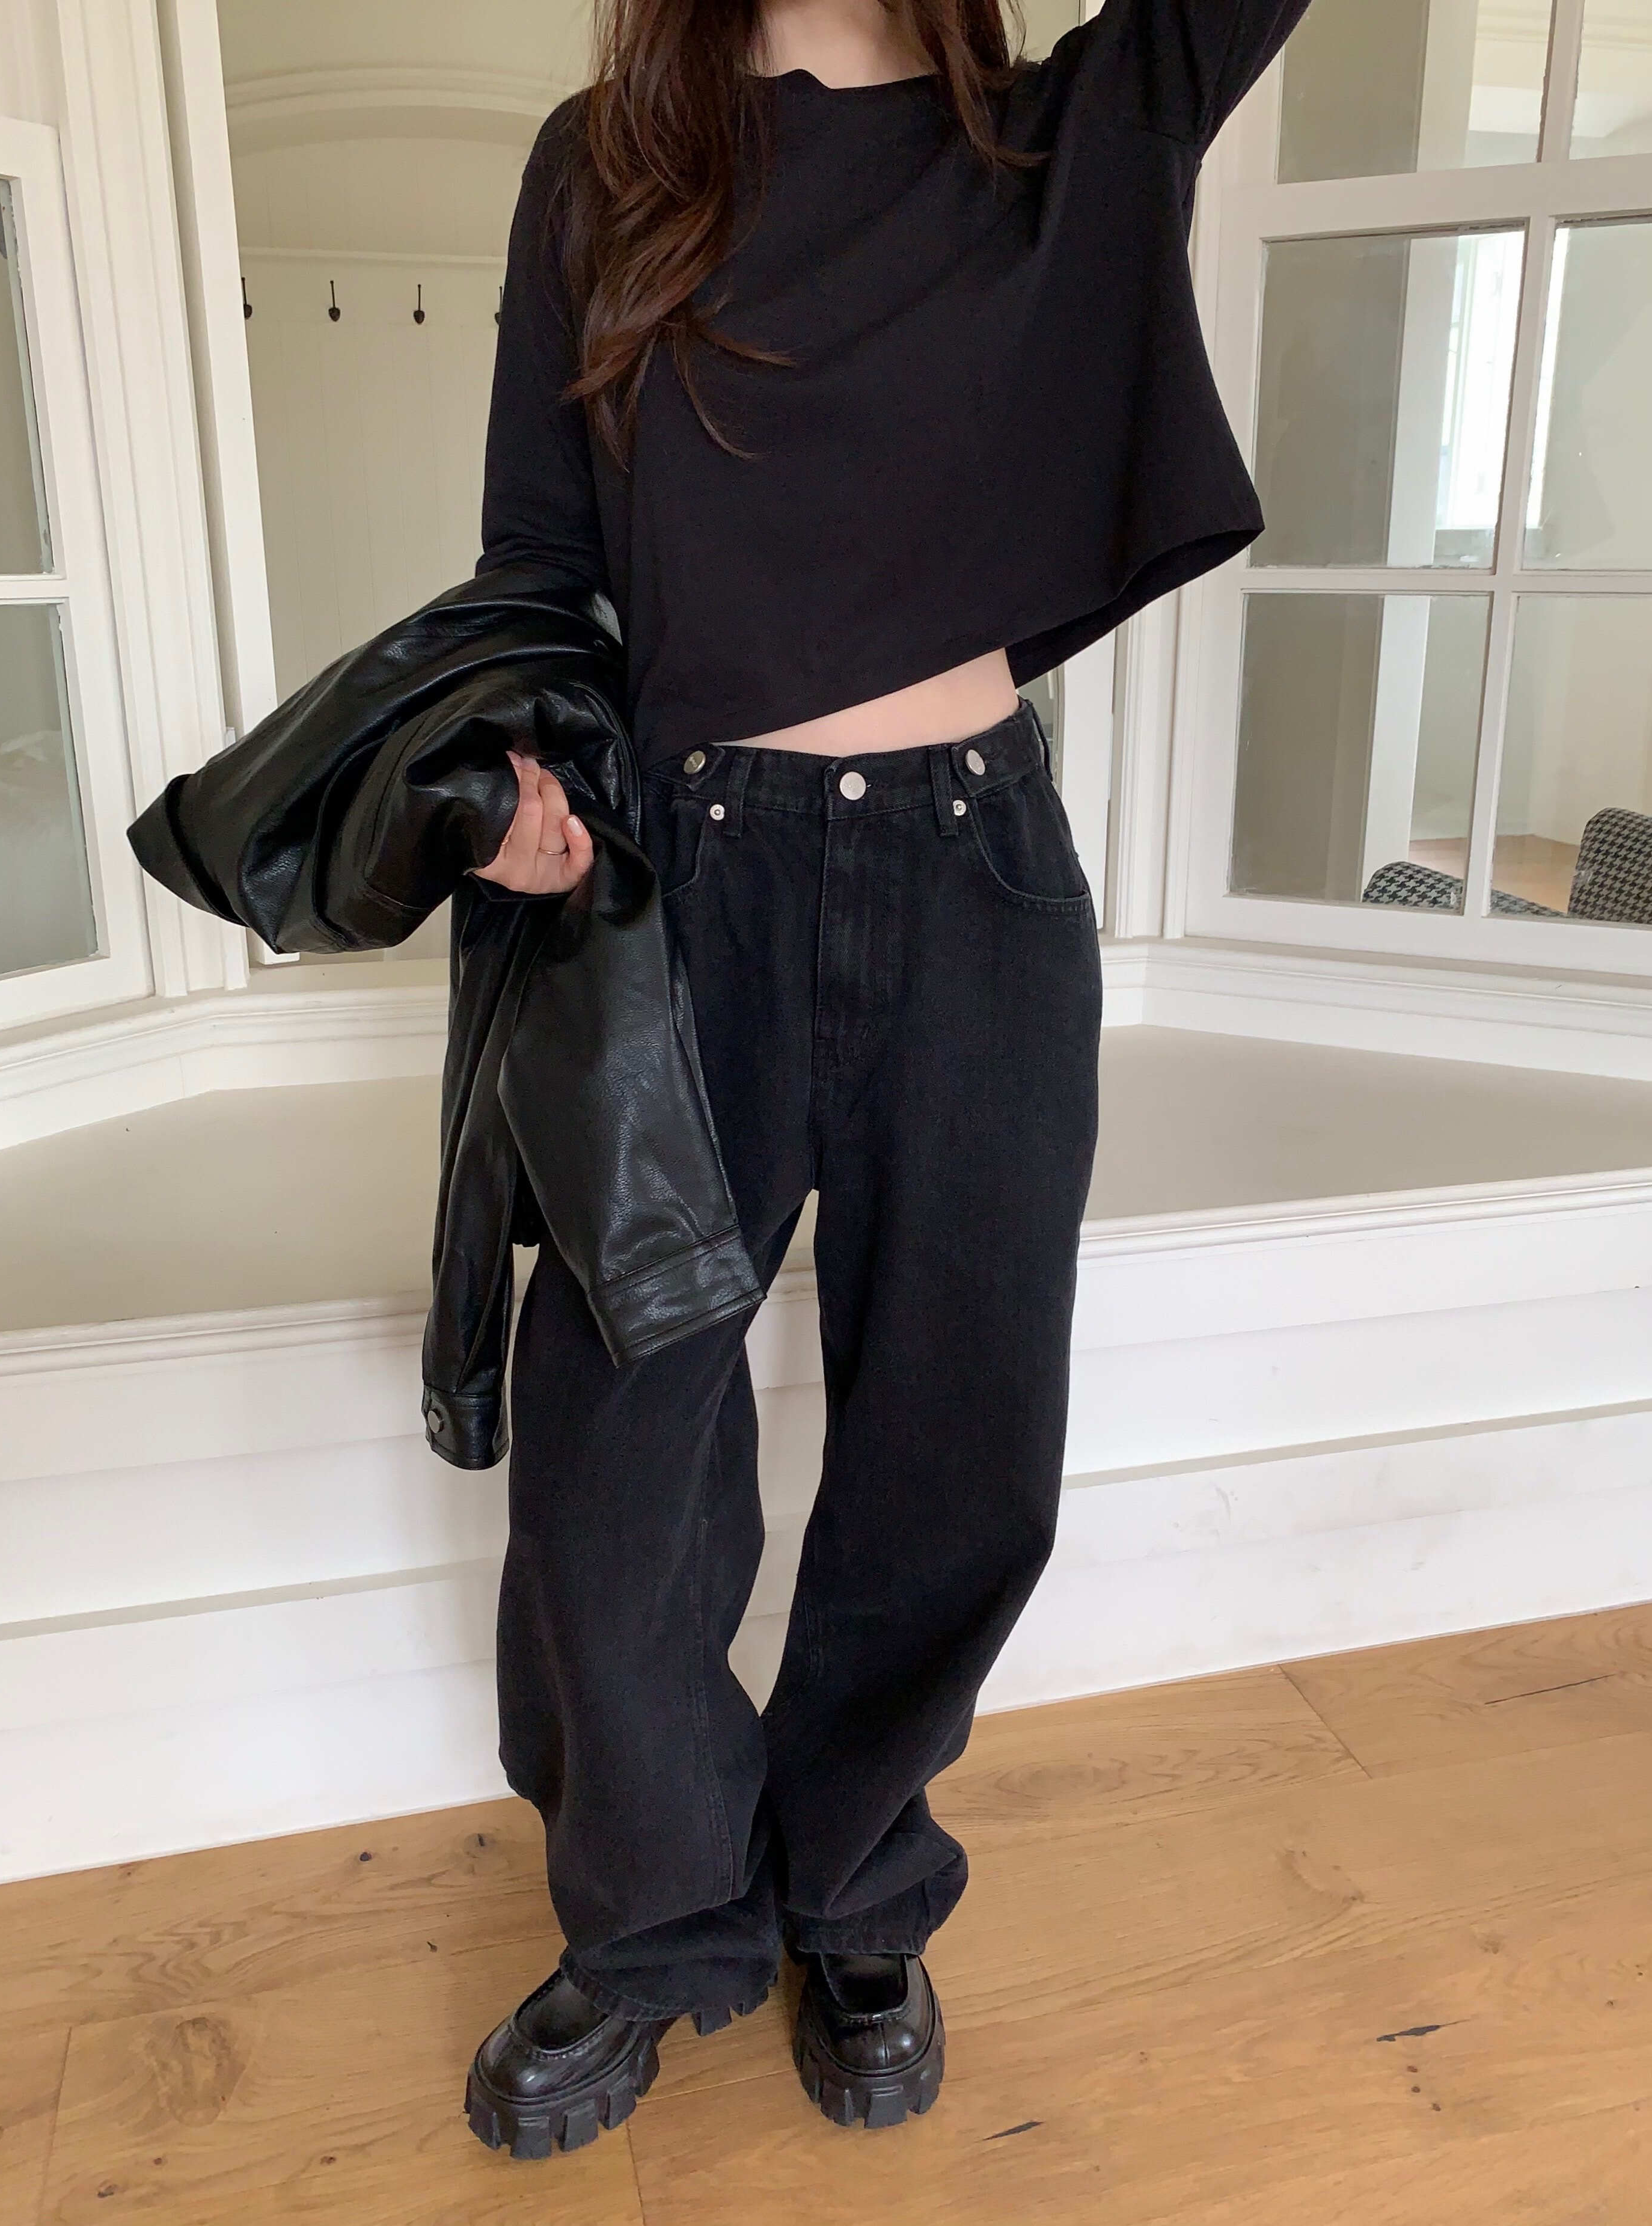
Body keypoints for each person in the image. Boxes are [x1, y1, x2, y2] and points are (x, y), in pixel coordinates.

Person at [462, 0, 1313, 2160]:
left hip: (973, 884)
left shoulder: (1065, 135)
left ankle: (853, 1890)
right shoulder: (604, 166)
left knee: (959, 1438)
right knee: (613, 1467)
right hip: (678, 894)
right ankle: (655, 1924)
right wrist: (511, 790)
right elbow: (537, 566)